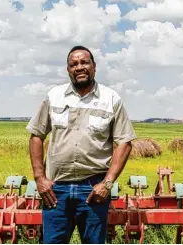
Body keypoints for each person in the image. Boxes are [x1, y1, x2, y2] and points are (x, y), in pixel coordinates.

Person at [27, 45, 136, 244]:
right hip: (56, 190)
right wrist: (39, 178)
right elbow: (36, 135)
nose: (79, 67)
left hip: (93, 190)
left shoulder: (111, 99)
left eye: (84, 62)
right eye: (73, 64)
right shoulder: (54, 96)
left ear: (94, 66)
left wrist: (107, 183)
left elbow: (125, 143)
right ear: (68, 70)